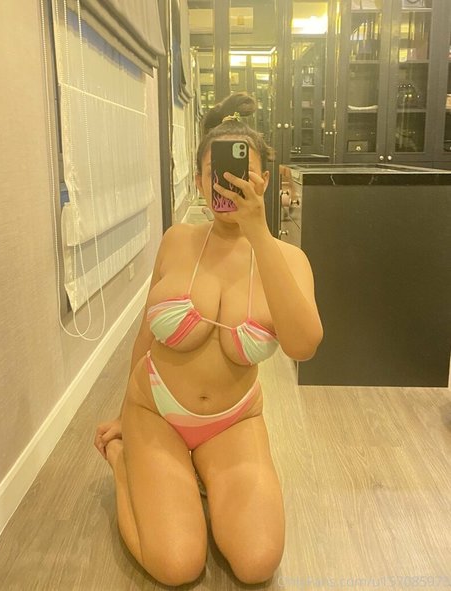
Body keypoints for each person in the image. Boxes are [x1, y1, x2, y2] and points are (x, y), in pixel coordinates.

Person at [94, 92, 323, 587]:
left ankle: (200, 472)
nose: (230, 183)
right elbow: (144, 334)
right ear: (200, 181)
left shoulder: (289, 259)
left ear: (264, 180)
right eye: (215, 173)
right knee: (177, 566)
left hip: (233, 422)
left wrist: (258, 232)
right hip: (155, 412)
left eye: (245, 174)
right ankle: (125, 462)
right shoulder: (177, 240)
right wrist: (123, 418)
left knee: (257, 564)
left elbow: (303, 345)